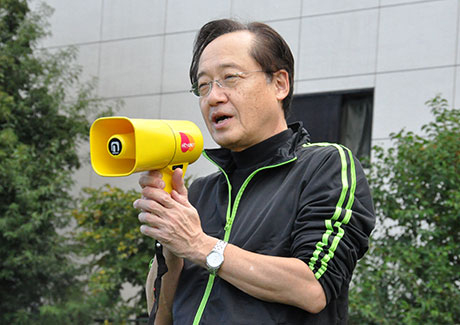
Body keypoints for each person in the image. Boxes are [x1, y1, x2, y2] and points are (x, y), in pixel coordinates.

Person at [134, 19, 375, 324]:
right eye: (203, 85)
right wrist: (171, 242)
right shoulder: (199, 192)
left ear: (279, 84)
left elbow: (312, 288)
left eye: (230, 78)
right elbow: (162, 316)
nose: (213, 97)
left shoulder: (324, 166)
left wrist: (198, 244)